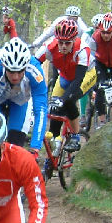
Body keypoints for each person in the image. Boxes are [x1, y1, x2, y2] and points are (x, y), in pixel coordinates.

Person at [35, 18, 95, 153]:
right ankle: (54, 144)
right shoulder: (50, 47)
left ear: (73, 40)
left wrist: (64, 98)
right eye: (60, 42)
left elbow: (78, 79)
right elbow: (32, 65)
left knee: (68, 101)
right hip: (65, 76)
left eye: (67, 43)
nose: (63, 46)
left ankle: (75, 137)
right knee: (54, 109)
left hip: (86, 74)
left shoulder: (82, 49)